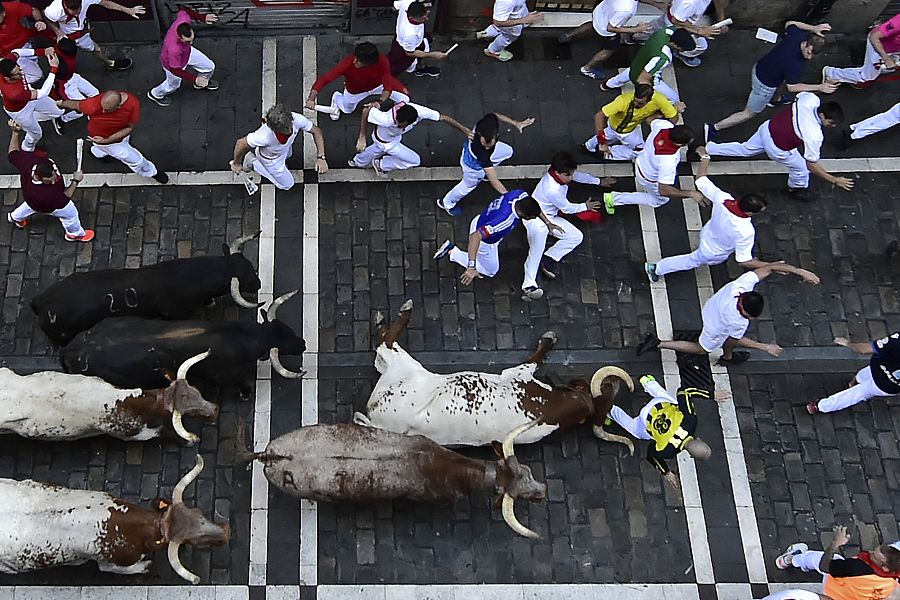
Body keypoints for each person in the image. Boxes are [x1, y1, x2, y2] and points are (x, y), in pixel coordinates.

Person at [644, 155, 820, 282]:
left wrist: (705, 158)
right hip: (713, 251)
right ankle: (657, 268)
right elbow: (743, 260)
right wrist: (769, 265)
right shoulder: (745, 231)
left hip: (709, 232)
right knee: (691, 261)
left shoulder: (723, 199)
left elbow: (701, 180)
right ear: (751, 212)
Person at [636, 263, 820, 365]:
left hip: (712, 307)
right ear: (747, 314)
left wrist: (799, 271)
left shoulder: (741, 285)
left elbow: (770, 267)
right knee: (701, 349)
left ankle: (658, 343)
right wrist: (765, 347)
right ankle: (659, 344)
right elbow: (734, 340)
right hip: (715, 326)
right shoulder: (737, 321)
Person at [705, 92, 854, 199]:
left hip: (767, 128)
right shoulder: (814, 135)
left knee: (744, 149)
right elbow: (811, 164)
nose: (832, 126)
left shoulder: (809, 98)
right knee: (801, 168)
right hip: (778, 148)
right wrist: (834, 179)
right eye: (831, 122)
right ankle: (795, 188)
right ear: (822, 116)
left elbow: (797, 97)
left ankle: (708, 149)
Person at [706, 21, 834, 136]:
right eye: (809, 52)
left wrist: (813, 27)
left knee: (781, 81)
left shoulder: (797, 36)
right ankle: (715, 127)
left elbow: (790, 24)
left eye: (813, 55)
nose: (809, 57)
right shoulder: (795, 65)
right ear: (807, 44)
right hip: (764, 85)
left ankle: (775, 99)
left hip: (760, 67)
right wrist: (820, 87)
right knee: (749, 113)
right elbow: (792, 87)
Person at [521, 151, 610, 298]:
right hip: (535, 218)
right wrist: (585, 207)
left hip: (551, 216)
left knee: (576, 237)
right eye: (568, 175)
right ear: (558, 172)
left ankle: (549, 258)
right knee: (536, 249)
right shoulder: (552, 190)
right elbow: (567, 208)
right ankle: (528, 284)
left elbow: (577, 176)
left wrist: (598, 181)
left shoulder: (559, 176)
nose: (571, 177)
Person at [433, 190, 563, 289]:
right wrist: (471, 267)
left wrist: (547, 223)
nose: (533, 219)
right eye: (532, 217)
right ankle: (453, 252)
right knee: (490, 270)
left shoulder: (519, 195)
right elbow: (475, 237)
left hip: (481, 220)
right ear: (523, 214)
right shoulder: (503, 222)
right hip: (485, 241)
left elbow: (534, 207)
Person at [608, 376, 712, 491]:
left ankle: (648, 382)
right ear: (690, 455)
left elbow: (683, 392)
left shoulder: (691, 420)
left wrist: (711, 395)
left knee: (674, 402)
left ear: (700, 440)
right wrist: (666, 472)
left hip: (659, 403)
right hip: (646, 417)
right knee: (634, 430)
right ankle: (610, 409)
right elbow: (651, 455)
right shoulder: (668, 451)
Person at [5, 120, 93, 242]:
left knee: (31, 205)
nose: (53, 181)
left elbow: (13, 154)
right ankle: (74, 233)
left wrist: (15, 133)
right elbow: (65, 197)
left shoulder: (28, 163)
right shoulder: (46, 194)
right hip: (48, 205)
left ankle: (15, 217)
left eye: (54, 176)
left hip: (32, 200)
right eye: (50, 180)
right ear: (40, 177)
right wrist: (75, 181)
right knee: (70, 214)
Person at [57, 90, 168, 184]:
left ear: (119, 106)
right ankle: (152, 172)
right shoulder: (96, 104)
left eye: (107, 110)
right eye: (103, 108)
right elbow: (77, 105)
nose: (103, 111)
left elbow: (129, 128)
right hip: (109, 143)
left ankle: (96, 152)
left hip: (110, 139)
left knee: (99, 148)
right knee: (137, 161)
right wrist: (61, 103)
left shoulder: (133, 105)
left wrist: (106, 140)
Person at [437, 111, 535, 215]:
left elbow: (495, 115)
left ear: (496, 135)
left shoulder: (489, 121)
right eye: (484, 144)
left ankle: (484, 174)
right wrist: (508, 196)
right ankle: (446, 203)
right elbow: (494, 180)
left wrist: (515, 123)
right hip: (472, 167)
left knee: (507, 151)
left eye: (489, 145)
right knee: (466, 187)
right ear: (479, 135)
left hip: (477, 157)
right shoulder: (481, 152)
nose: (487, 147)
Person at [775, 526, 900, 600]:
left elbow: (824, 566)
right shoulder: (893, 582)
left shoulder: (856, 568)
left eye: (874, 556)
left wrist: (835, 543)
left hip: (832, 592)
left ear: (885, 568)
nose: (870, 552)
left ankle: (790, 559)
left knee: (821, 559)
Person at [350, 99, 469, 176]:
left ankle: (367, 163)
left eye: (400, 124)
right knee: (412, 159)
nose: (397, 124)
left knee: (413, 160)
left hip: (393, 141)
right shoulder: (386, 119)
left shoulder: (420, 112)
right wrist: (362, 136)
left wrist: (465, 130)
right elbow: (366, 111)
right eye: (397, 122)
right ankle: (374, 164)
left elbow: (443, 118)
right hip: (382, 140)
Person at [601, 120, 701, 210]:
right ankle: (613, 199)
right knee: (659, 200)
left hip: (641, 162)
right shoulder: (668, 160)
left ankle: (609, 153)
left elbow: (650, 119)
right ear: (680, 145)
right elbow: (665, 191)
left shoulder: (663, 125)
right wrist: (691, 193)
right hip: (649, 178)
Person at [557, 0, 664, 79]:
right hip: (606, 29)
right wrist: (636, 29)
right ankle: (587, 69)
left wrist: (655, 4)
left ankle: (568, 36)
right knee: (609, 49)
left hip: (600, 12)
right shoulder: (627, 9)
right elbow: (611, 27)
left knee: (592, 24)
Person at [231, 103, 327, 191]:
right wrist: (236, 163)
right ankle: (253, 163)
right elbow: (241, 143)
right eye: (284, 130)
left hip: (283, 150)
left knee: (289, 155)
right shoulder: (264, 136)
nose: (289, 131)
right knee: (287, 185)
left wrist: (321, 157)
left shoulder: (297, 119)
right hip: (271, 160)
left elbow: (316, 131)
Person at [306, 42, 409, 121]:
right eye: (355, 57)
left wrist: (379, 102)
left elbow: (388, 83)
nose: (354, 61)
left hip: (378, 86)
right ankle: (336, 97)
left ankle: (394, 111)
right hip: (355, 91)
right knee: (347, 110)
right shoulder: (347, 64)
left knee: (405, 100)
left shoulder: (383, 62)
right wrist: (311, 98)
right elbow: (325, 79)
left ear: (370, 63)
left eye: (359, 61)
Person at [806, 333, 900, 414]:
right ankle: (856, 383)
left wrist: (847, 343)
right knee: (861, 380)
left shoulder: (897, 340)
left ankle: (821, 406)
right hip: (890, 384)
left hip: (882, 375)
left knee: (855, 394)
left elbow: (864, 349)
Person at [585, 83, 682, 160]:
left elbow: (673, 116)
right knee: (640, 149)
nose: (635, 104)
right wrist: (602, 142)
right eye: (635, 100)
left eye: (640, 103)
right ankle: (607, 154)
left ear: (649, 100)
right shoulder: (623, 101)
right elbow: (600, 115)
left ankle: (588, 146)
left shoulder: (660, 100)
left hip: (620, 127)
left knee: (608, 134)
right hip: (625, 131)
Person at [146, 7, 219, 108]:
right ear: (179, 37)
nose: (191, 43)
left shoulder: (183, 20)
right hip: (173, 63)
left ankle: (201, 83)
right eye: (188, 41)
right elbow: (175, 69)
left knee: (209, 66)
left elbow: (184, 10)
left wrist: (202, 17)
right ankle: (155, 94)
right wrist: (194, 78)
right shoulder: (174, 49)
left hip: (187, 53)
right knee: (173, 85)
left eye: (192, 39)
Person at [600, 26, 695, 102]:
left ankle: (608, 84)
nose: (682, 51)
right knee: (674, 99)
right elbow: (642, 78)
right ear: (675, 44)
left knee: (629, 73)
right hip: (647, 76)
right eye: (682, 49)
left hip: (636, 64)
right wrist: (647, 93)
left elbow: (679, 27)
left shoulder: (665, 31)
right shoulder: (663, 58)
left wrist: (699, 31)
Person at [42, 0, 144, 70]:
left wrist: (128, 10)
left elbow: (105, 3)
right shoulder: (54, 10)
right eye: (73, 12)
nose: (77, 14)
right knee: (65, 61)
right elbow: (46, 16)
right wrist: (58, 32)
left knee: (96, 49)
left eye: (79, 10)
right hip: (65, 37)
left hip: (81, 34)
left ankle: (109, 64)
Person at [30, 36, 99, 135]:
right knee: (82, 109)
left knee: (95, 93)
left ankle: (93, 112)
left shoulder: (64, 47)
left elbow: (59, 38)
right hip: (65, 85)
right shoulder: (59, 61)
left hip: (74, 77)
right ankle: (62, 119)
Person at [0, 47, 63, 151]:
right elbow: (42, 93)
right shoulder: (14, 93)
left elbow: (17, 52)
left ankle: (33, 118)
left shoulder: (7, 65)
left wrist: (43, 51)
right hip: (20, 112)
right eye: (17, 74)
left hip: (29, 95)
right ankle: (27, 147)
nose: (21, 72)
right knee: (37, 133)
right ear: (7, 78)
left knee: (57, 111)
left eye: (19, 68)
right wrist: (53, 69)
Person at [637, 0, 729, 67]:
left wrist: (721, 19)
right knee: (701, 46)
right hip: (675, 22)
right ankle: (682, 54)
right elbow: (676, 20)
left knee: (655, 27)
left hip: (681, 16)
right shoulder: (689, 3)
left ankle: (635, 36)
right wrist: (699, 30)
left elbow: (719, 1)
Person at [822, 12, 900, 88]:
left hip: (895, 49)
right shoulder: (898, 22)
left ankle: (877, 69)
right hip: (879, 45)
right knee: (867, 76)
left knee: (890, 67)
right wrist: (886, 59)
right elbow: (874, 37)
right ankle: (831, 74)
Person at [388, 0, 445, 77]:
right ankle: (385, 83)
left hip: (418, 40)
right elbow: (409, 53)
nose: (427, 19)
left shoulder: (407, 3)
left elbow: (394, 7)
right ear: (411, 17)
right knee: (395, 68)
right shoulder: (410, 35)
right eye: (422, 18)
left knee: (423, 47)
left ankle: (421, 68)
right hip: (404, 48)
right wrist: (432, 55)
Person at [0, 0, 51, 82]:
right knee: (36, 75)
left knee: (35, 70)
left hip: (25, 45)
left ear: (4, 13)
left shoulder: (12, 7)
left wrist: (39, 21)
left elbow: (33, 10)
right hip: (8, 56)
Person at [477, 0, 541, 62]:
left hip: (514, 14)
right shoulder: (506, 2)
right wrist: (524, 20)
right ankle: (494, 51)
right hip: (511, 25)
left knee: (498, 27)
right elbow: (498, 22)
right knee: (508, 37)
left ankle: (487, 33)